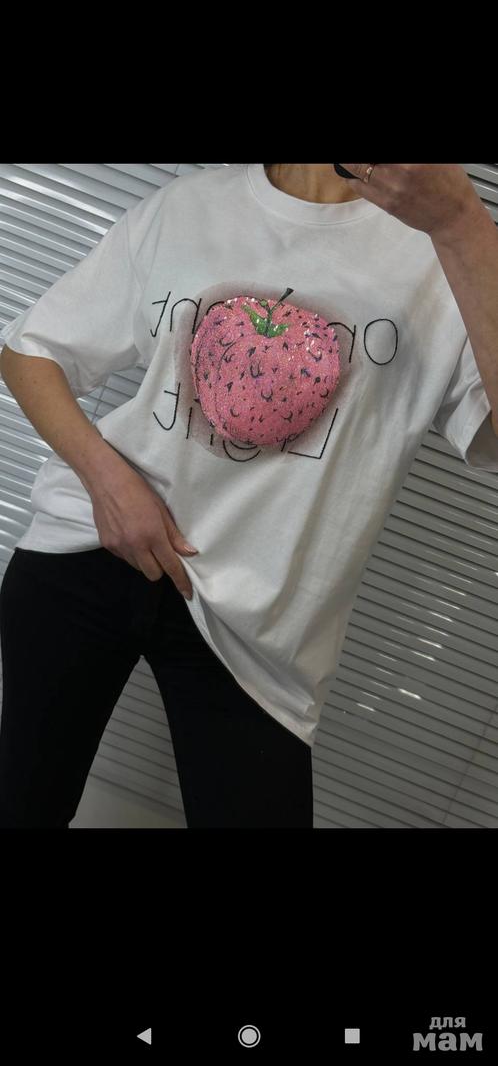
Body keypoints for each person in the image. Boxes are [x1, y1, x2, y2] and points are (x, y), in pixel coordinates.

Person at [0, 163, 495, 830]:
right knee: (23, 806)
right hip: (88, 554)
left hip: (261, 628)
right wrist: (105, 480)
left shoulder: (448, 249)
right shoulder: (191, 206)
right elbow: (30, 351)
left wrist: (464, 226)